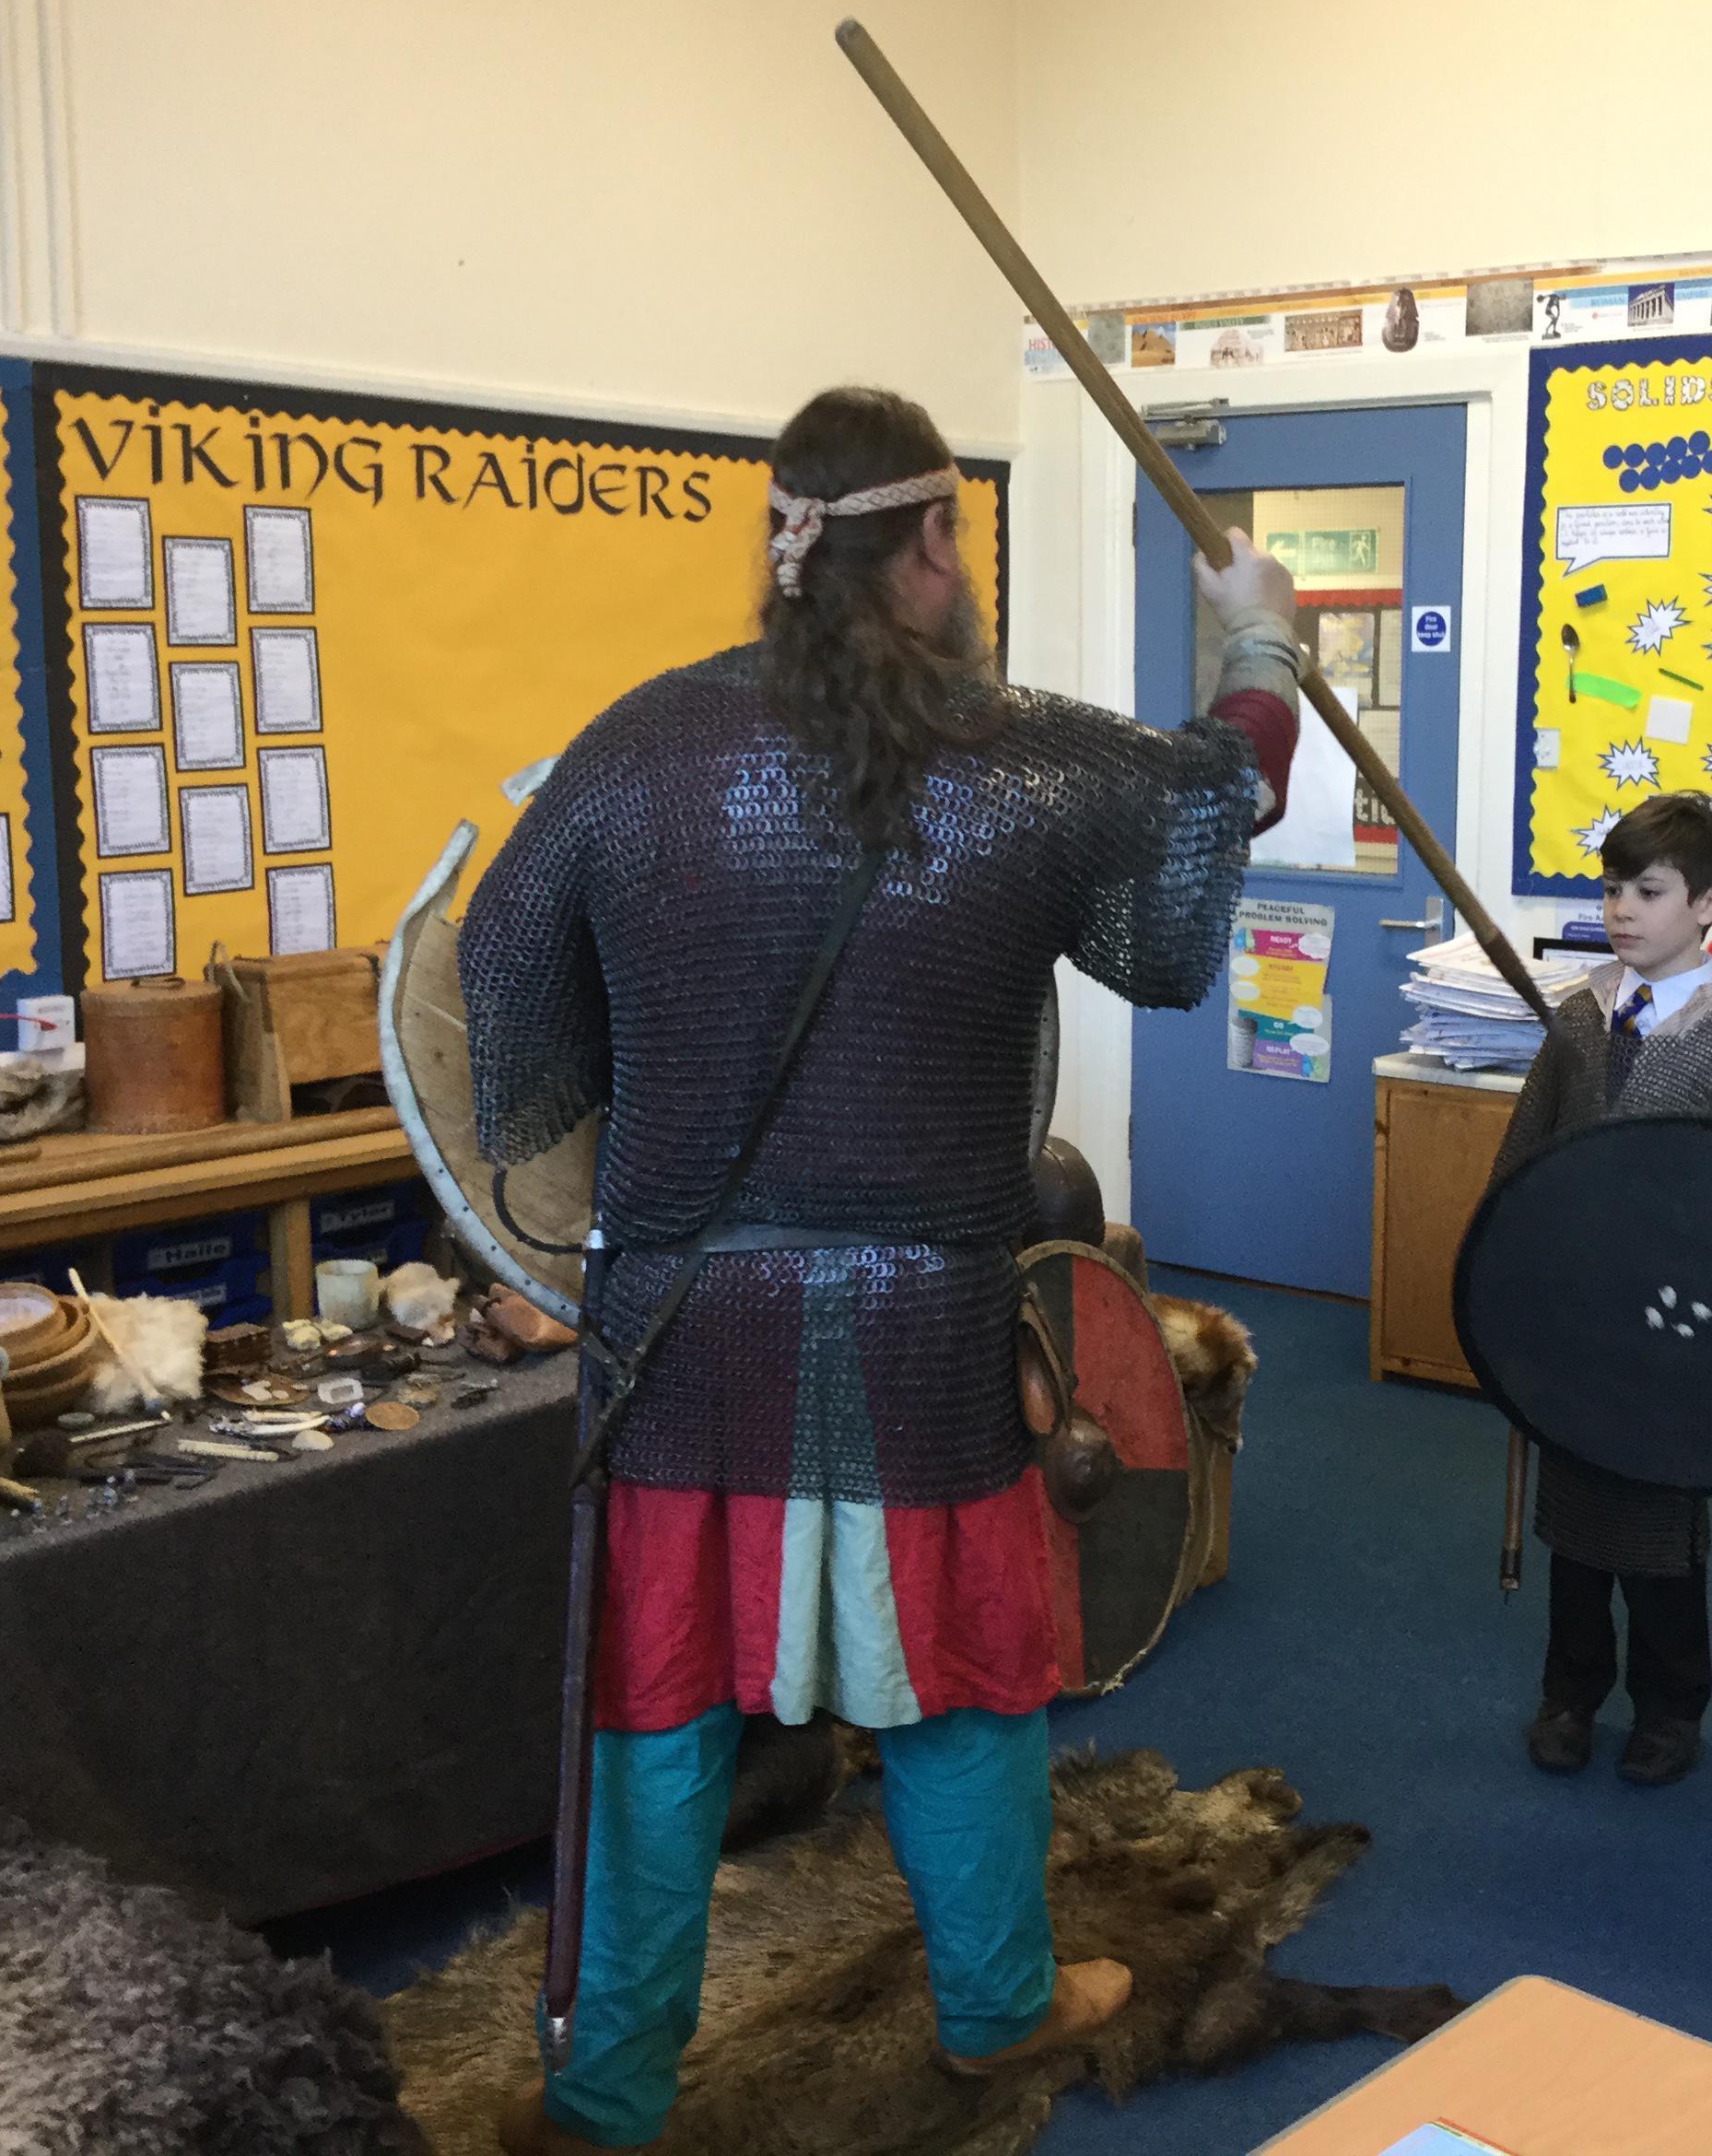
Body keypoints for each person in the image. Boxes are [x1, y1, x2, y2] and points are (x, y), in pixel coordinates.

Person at [459, 386, 1306, 2155]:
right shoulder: (1011, 759)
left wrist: (633, 1124)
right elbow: (1198, 828)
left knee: (658, 1711)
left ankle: (606, 2091)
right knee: (965, 1684)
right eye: (957, 542)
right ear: (929, 540)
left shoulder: (638, 748)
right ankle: (995, 2003)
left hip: (683, 1326)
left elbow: (507, 977)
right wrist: (1257, 646)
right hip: (919, 1322)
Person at [1489, 792, 1712, 1787]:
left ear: (1709, 905)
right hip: (1581, 1316)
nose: (1623, 909)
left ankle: (1670, 1708)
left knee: (1660, 1525)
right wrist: (1507, 1274)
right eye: (1613, 888)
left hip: (1677, 1331)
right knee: (1578, 1524)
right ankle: (1570, 1693)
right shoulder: (1580, 1020)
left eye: (1649, 891)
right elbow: (1524, 1163)